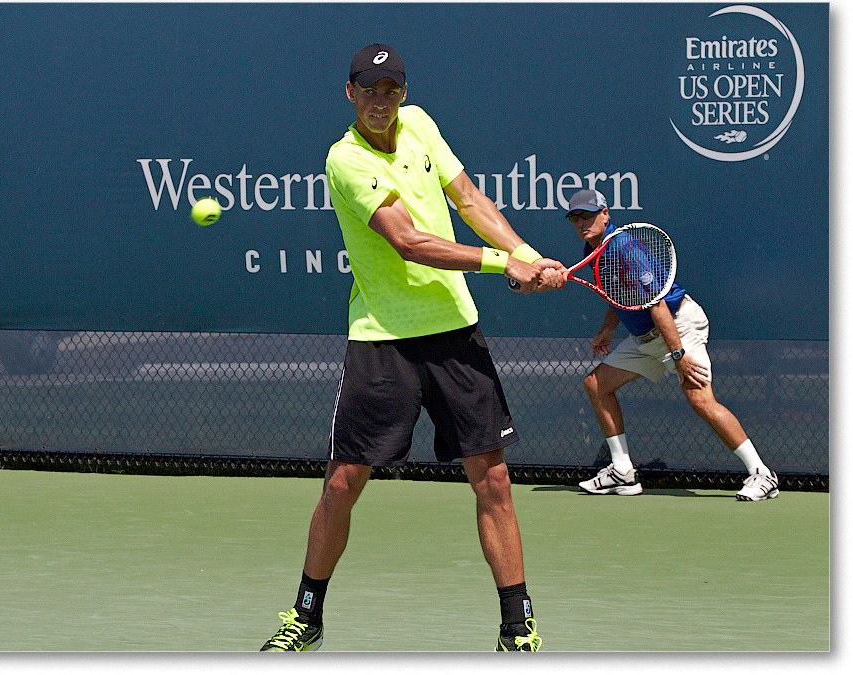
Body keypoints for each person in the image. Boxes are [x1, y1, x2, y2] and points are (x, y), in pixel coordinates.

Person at [259, 43, 565, 652]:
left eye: (391, 89)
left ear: (403, 92)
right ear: (350, 94)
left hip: (454, 332)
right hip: (383, 340)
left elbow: (471, 200)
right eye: (369, 90)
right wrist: (503, 262)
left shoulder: (420, 123)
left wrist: (525, 254)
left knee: (494, 480)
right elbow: (409, 241)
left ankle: (516, 624)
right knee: (344, 482)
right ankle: (306, 615)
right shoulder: (344, 160)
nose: (381, 100)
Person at [564, 188, 779, 501]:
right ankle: (622, 471)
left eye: (588, 215)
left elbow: (658, 304)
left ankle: (762, 473)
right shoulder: (592, 250)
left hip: (677, 326)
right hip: (645, 338)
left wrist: (678, 354)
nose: (582, 222)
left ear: (605, 214)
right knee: (597, 385)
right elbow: (618, 294)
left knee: (701, 401)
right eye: (575, 217)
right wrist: (607, 330)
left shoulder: (624, 246)